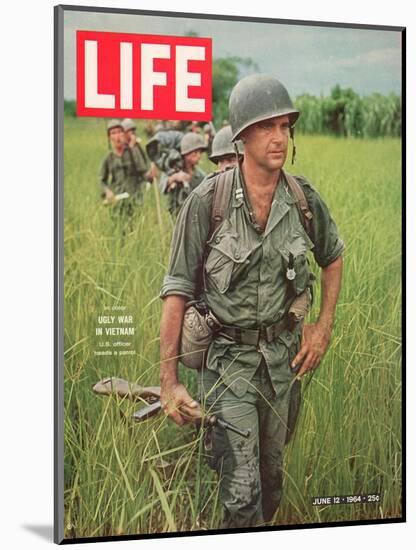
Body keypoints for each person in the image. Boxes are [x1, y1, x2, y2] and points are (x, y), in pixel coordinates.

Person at [159, 74, 344, 529]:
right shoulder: (208, 201)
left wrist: (322, 328)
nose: (279, 137)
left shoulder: (303, 200)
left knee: (272, 480)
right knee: (241, 496)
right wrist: (169, 381)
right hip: (226, 367)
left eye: (285, 126)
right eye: (266, 127)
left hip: (283, 367)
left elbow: (333, 258)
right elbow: (177, 290)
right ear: (242, 137)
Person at [99, 119, 148, 222]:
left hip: (135, 199)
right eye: (113, 133)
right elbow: (101, 180)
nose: (117, 136)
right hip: (117, 201)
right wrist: (107, 191)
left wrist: (133, 147)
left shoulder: (132, 151)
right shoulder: (109, 158)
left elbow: (143, 169)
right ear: (109, 137)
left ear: (124, 134)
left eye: (119, 132)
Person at [159, 132, 207, 216]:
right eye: (195, 152)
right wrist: (175, 178)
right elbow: (162, 185)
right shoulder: (172, 169)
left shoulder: (201, 175)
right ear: (186, 154)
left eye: (200, 152)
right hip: (174, 214)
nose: (199, 156)